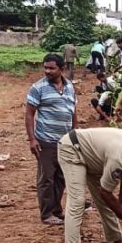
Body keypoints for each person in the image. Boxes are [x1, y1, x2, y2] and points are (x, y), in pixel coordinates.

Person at [25, 53, 77, 225]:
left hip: (65, 141)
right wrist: (32, 139)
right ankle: (47, 214)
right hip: (46, 141)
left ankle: (56, 210)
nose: (47, 71)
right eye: (45, 67)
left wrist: (75, 135)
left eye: (51, 68)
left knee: (60, 177)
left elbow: (73, 111)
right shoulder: (38, 88)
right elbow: (29, 114)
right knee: (46, 178)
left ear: (62, 69)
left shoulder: (69, 86)